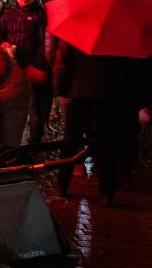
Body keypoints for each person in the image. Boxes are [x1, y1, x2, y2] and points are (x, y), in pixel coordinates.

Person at [52, 30, 148, 205]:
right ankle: (107, 193)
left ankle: (62, 184)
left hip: (79, 92)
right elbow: (133, 68)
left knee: (71, 141)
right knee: (107, 143)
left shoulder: (79, 27)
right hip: (110, 93)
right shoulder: (122, 32)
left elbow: (63, 60)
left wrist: (60, 89)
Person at [0, 0, 49, 143]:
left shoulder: (41, 14)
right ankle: (10, 143)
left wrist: (36, 65)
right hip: (12, 67)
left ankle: (33, 144)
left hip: (32, 67)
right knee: (11, 107)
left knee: (34, 107)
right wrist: (2, 43)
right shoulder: (9, 14)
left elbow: (44, 43)